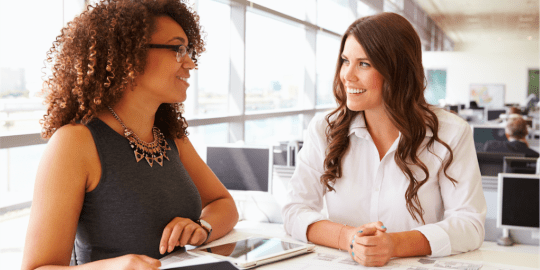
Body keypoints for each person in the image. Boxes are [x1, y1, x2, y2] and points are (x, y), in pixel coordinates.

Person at [21, 0, 238, 269]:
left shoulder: (171, 137)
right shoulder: (75, 142)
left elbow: (224, 203)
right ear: (130, 56)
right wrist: (114, 267)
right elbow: (36, 267)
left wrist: (202, 227)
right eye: (178, 49)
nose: (190, 63)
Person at [281, 12, 486, 267]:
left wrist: (394, 244)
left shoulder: (450, 133)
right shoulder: (325, 129)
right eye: (345, 61)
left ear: (397, 70)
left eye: (364, 64)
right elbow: (293, 211)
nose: (347, 75)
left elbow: (470, 224)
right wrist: (349, 238)